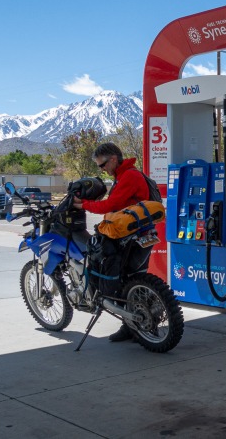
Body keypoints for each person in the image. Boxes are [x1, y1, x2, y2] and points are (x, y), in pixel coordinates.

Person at [73, 142, 152, 342]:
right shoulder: (126, 175)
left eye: (103, 165)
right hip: (137, 232)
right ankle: (133, 327)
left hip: (131, 234)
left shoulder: (129, 176)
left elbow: (112, 204)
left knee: (119, 274)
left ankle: (130, 322)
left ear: (114, 159)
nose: (102, 169)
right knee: (131, 278)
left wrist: (84, 205)